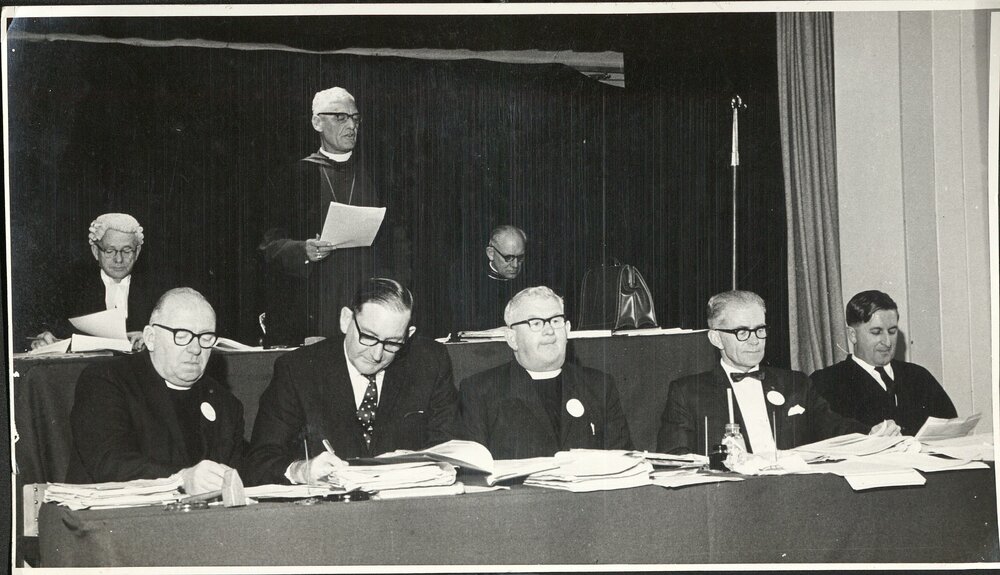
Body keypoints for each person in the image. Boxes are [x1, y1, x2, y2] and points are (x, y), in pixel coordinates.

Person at [245, 278, 459, 486]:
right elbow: (259, 461)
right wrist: (301, 470)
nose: (376, 355)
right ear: (346, 320)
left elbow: (449, 448)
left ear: (408, 334)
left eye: (392, 343)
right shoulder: (298, 370)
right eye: (368, 336)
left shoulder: (430, 363)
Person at [657, 290, 899, 455]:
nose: (754, 341)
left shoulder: (795, 383)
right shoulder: (687, 393)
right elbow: (677, 459)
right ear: (716, 338)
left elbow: (834, 427)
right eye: (742, 332)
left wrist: (871, 433)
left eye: (760, 330)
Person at [64, 288, 245, 495]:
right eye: (182, 335)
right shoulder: (108, 380)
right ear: (150, 338)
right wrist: (181, 479)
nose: (195, 349)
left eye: (205, 338)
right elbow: (110, 463)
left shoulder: (226, 404)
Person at [259, 86, 398, 347]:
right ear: (317, 122)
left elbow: (399, 243)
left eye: (355, 118)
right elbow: (270, 246)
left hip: (368, 297)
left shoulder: (378, 175)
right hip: (315, 302)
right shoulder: (295, 177)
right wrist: (303, 250)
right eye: (340, 117)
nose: (351, 125)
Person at [459, 286, 632, 459]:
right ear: (512, 338)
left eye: (556, 321)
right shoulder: (479, 392)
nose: (549, 331)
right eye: (535, 323)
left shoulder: (598, 386)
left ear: (567, 329)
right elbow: (475, 473)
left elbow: (622, 462)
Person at [810, 290, 957, 435]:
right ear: (852, 335)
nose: (887, 342)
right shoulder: (826, 382)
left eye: (892, 331)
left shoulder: (919, 376)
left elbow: (951, 428)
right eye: (876, 332)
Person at [31, 212, 154, 351]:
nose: (118, 259)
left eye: (127, 250)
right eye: (109, 251)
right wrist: (44, 339)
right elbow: (46, 330)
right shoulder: (70, 288)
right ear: (96, 251)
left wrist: (153, 338)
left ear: (137, 252)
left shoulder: (157, 289)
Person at [448, 224, 529, 334]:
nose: (515, 265)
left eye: (520, 257)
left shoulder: (531, 278)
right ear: (491, 253)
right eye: (508, 258)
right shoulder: (467, 279)